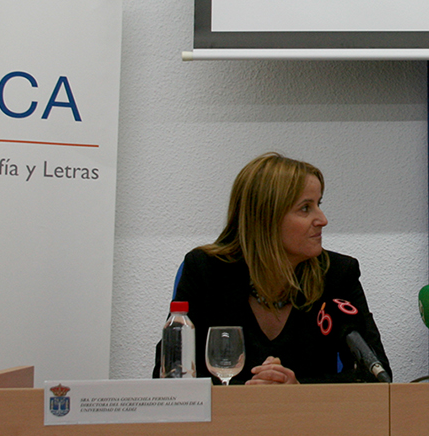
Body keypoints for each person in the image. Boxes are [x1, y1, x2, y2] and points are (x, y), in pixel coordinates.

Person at [153, 153, 389, 384]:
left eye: (318, 204)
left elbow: (376, 376)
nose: (322, 219)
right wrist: (251, 394)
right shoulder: (206, 271)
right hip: (228, 412)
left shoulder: (337, 274)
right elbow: (171, 375)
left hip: (307, 412)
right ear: (266, 218)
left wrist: (297, 390)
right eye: (305, 208)